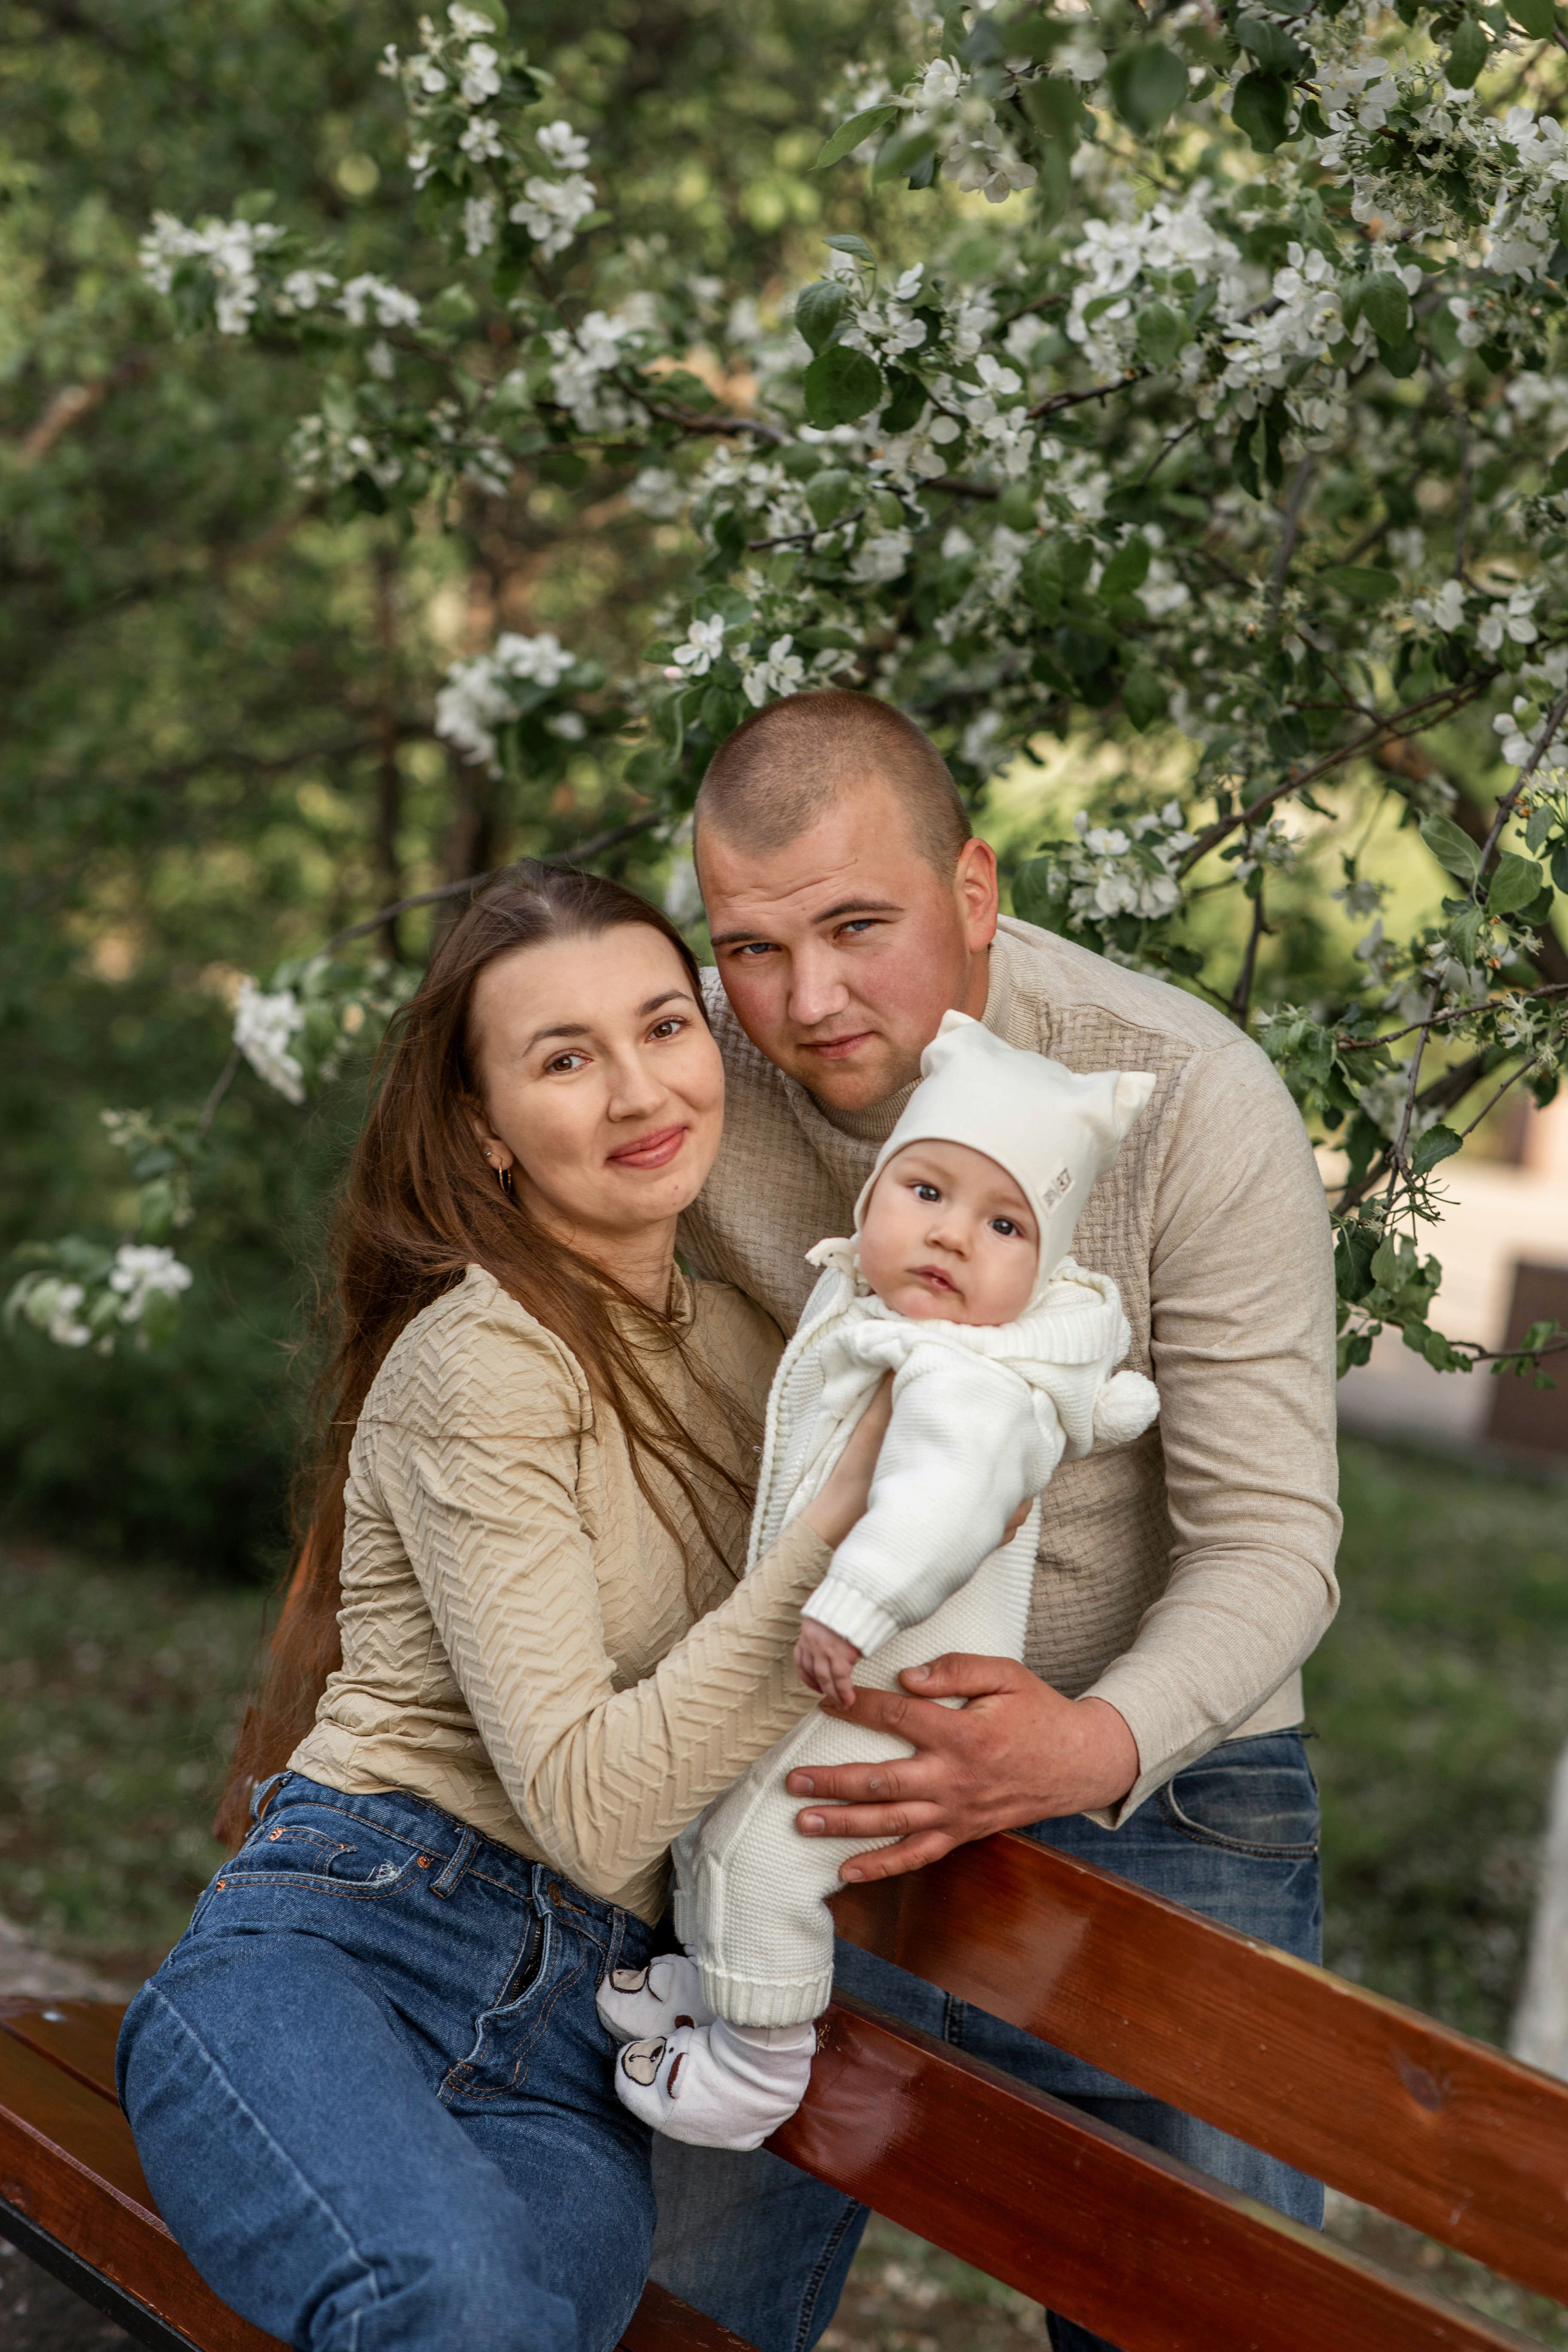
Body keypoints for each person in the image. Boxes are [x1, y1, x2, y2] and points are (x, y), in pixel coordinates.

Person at [115, 862, 894, 2352]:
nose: (635, 1091)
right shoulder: (486, 1359)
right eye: (563, 1058)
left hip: (570, 2058)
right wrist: (845, 1541)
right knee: (452, 2302)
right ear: (483, 1133)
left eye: (662, 1029)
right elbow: (592, 1809)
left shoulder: (761, 1350)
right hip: (343, 1958)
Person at [647, 689, 1341, 2352]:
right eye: (747, 946)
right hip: (805, 1756)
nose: (802, 1000)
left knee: (1217, 2320)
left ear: (976, 893)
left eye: (857, 927)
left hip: (1159, 1786)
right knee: (670, 2299)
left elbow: (1276, 1545)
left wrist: (1092, 1746)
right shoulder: (681, 1072)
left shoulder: (1186, 1099)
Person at [598, 1012, 1158, 2148]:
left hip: (899, 1689)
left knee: (767, 1844)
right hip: (839, 1663)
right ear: (874, 1199)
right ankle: (715, 1985)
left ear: (1043, 1266)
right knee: (719, 1799)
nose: (952, 1237)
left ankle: (758, 2068)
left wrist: (848, 1610)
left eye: (1004, 1223)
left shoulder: (970, 1381)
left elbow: (937, 1511)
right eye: (927, 1192)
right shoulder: (873, 1308)